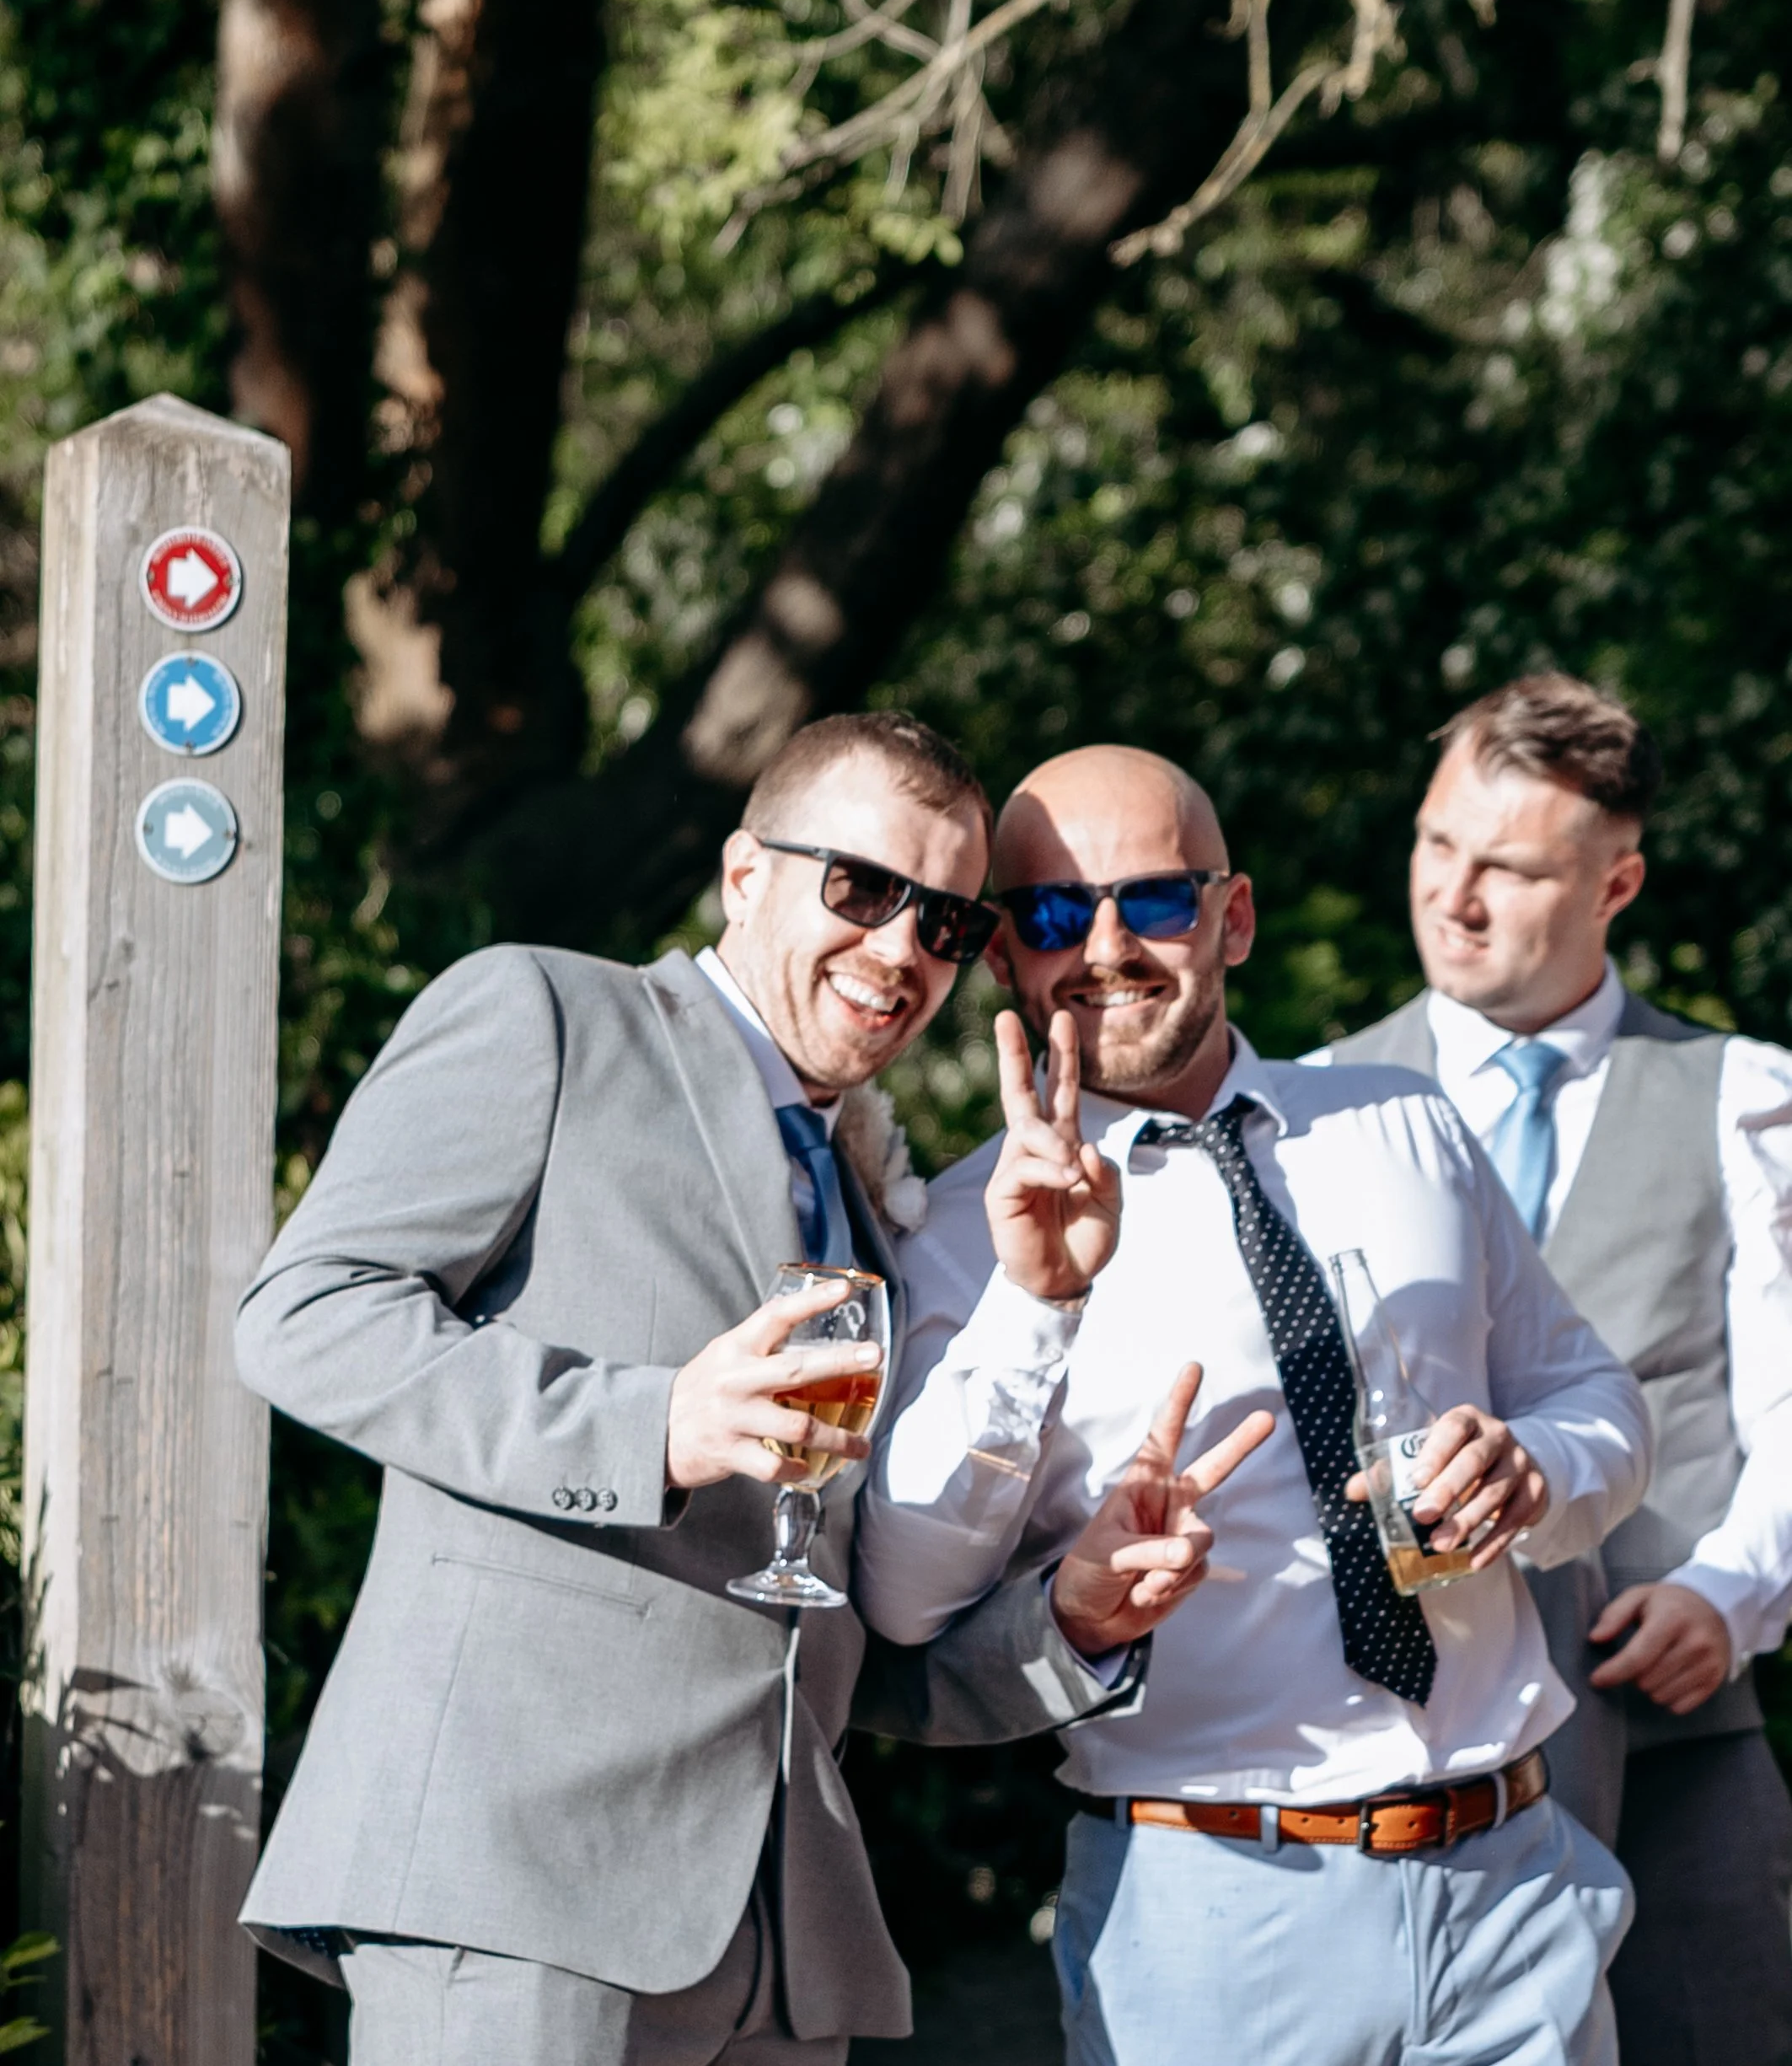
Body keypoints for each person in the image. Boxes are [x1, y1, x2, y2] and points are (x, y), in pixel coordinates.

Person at [235, 711, 1211, 2066]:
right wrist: (651, 1425)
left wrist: (1068, 1626)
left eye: (942, 922)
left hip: (781, 1945)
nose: (899, 952)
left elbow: (824, 1621)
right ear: (744, 874)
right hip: (521, 1884)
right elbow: (305, 1318)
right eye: (863, 890)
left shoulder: (876, 1213)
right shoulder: (548, 1012)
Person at [856, 741, 1652, 2066]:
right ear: (1001, 956)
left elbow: (1598, 1402)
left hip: (1515, 1883)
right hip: (1214, 1909)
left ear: (1231, 917)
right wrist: (1033, 1303)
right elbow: (903, 1594)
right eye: (1054, 914)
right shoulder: (951, 1234)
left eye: (1153, 901)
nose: (1104, 944)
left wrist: (1538, 1472)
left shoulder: (1405, 1124)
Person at [1323, 670, 1792, 2066]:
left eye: (1512, 869)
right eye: (1435, 844)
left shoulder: (1744, 1096)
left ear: (1614, 884)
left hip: (1672, 1736)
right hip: (1412, 1761)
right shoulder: (1313, 1102)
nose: (1452, 898)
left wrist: (1729, 1594)